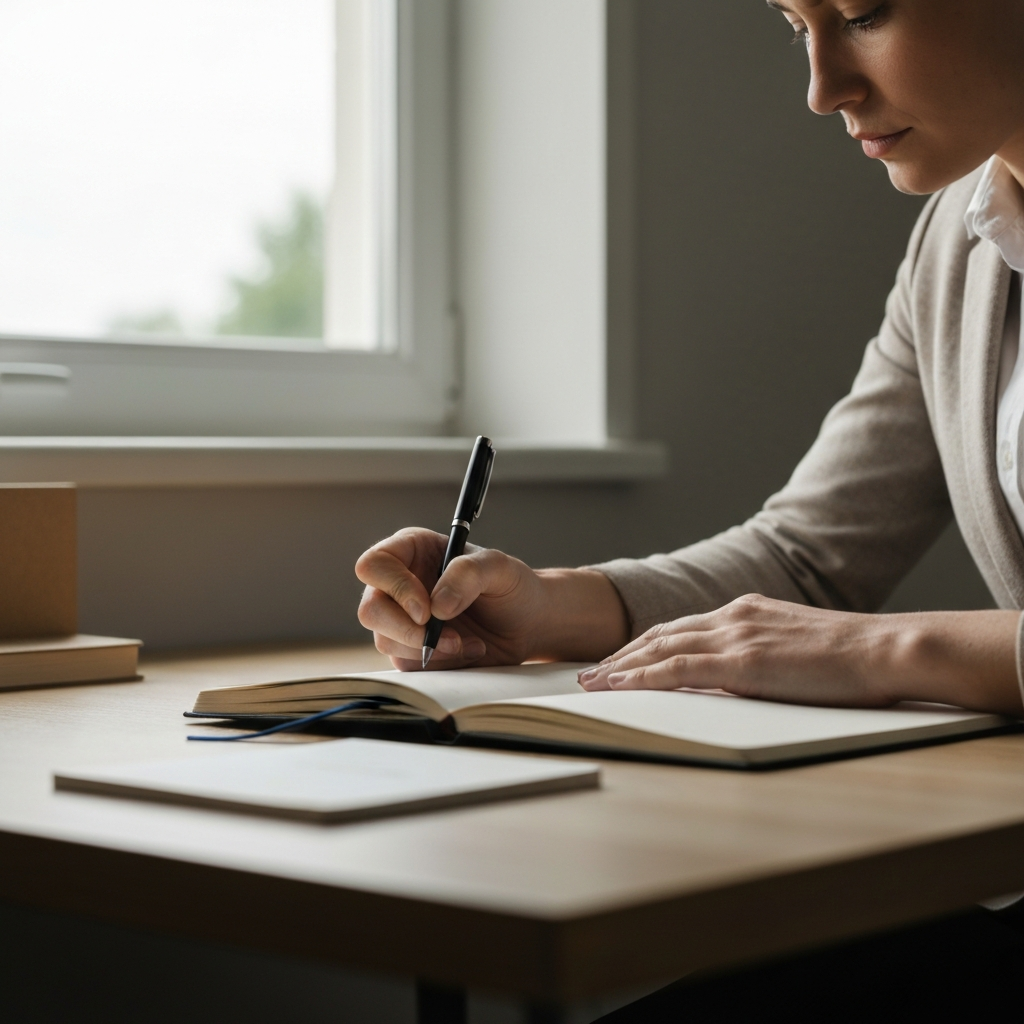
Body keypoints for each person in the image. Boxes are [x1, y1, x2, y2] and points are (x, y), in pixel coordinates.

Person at [357, 4, 1024, 1014]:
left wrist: (889, 652)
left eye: (861, 13)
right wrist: (550, 604)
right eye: (796, 24)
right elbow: (806, 556)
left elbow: (832, 616)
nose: (821, 86)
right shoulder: (959, 243)